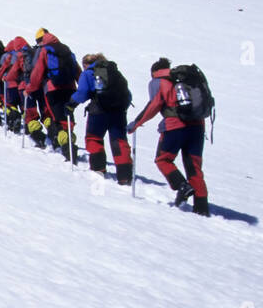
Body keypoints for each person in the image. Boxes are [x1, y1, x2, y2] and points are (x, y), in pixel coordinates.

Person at [129, 59, 210, 215]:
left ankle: (182, 186)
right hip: (198, 127)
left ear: (154, 72)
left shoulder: (158, 81)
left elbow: (154, 105)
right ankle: (202, 209)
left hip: (175, 127)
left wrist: (136, 123)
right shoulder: (186, 79)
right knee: (194, 168)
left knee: (163, 159)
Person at [65, 53, 133, 185]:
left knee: (93, 138)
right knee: (119, 141)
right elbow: (128, 95)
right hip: (119, 113)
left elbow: (82, 93)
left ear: (86, 64)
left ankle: (98, 169)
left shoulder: (88, 73)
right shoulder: (114, 72)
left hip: (98, 112)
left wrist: (70, 105)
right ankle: (125, 175)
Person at [23, 27, 79, 158]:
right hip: (70, 88)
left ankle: (67, 148)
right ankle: (67, 142)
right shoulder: (66, 49)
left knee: (58, 119)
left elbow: (37, 74)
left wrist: (30, 88)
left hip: (53, 89)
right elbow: (76, 69)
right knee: (68, 118)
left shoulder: (44, 51)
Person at [0, 36, 29, 132]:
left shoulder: (6, 56)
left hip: (10, 84)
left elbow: (1, 70)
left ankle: (13, 120)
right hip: (21, 85)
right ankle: (28, 125)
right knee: (23, 106)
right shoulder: (23, 54)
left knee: (10, 104)